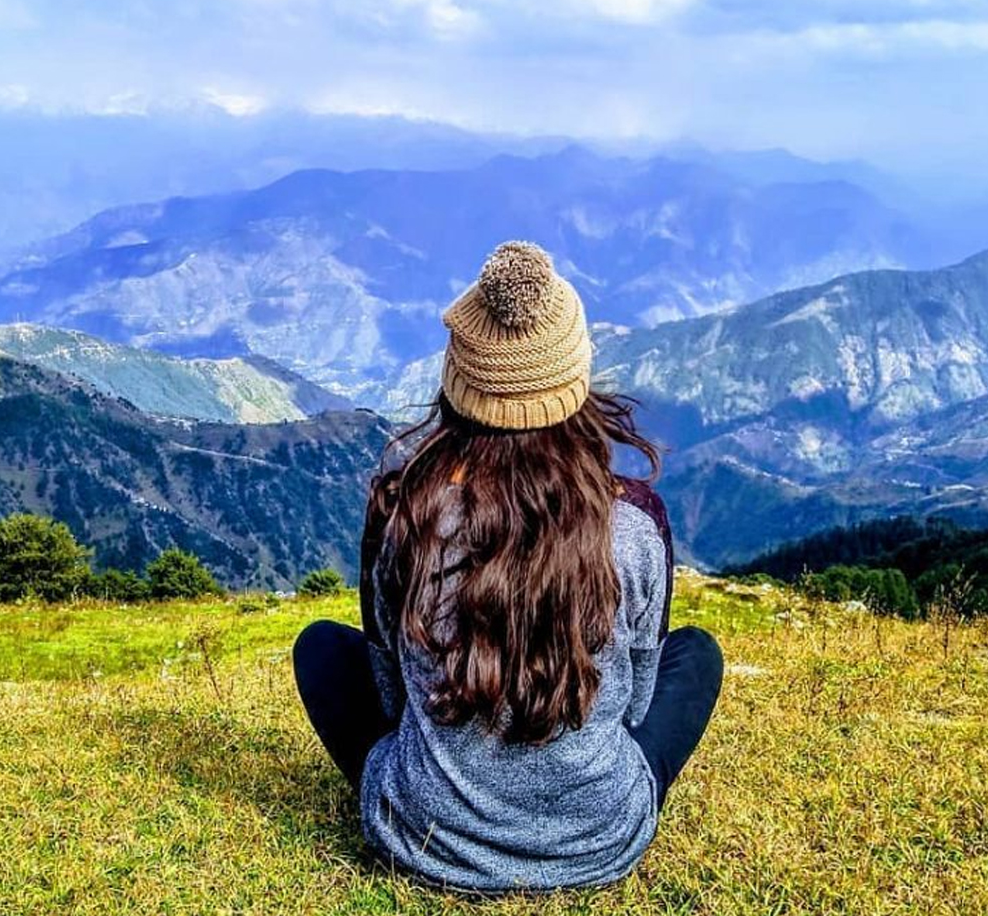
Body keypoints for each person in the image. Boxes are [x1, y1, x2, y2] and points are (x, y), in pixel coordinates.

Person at [293, 240, 723, 893]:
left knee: (321, 648)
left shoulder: (405, 514)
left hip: (424, 840)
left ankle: (434, 808)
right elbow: (635, 704)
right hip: (598, 843)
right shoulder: (635, 523)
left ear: (456, 385)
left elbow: (389, 693)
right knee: (698, 654)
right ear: (576, 382)